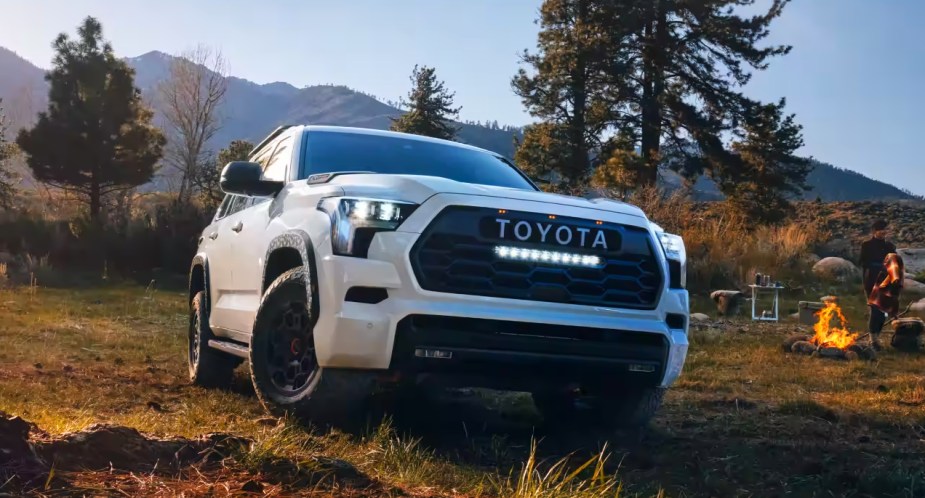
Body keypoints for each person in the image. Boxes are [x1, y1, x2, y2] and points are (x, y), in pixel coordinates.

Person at [859, 220, 897, 349]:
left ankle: (876, 338)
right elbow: (864, 262)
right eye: (880, 229)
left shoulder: (890, 247)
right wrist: (880, 267)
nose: (883, 232)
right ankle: (873, 339)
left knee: (883, 312)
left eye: (885, 229)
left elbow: (894, 263)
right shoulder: (867, 245)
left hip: (886, 284)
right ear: (874, 231)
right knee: (875, 311)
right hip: (871, 283)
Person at [867, 252, 905, 349]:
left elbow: (895, 293)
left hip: (887, 298)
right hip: (878, 297)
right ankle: (873, 341)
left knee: (881, 319)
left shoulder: (896, 271)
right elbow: (892, 282)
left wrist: (894, 311)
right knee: (876, 317)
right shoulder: (888, 270)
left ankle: (875, 340)